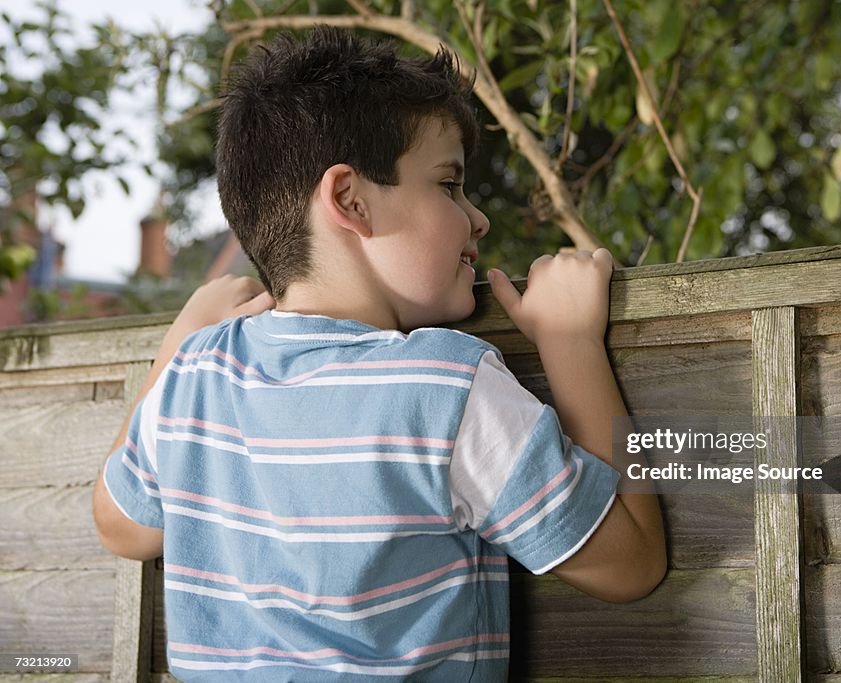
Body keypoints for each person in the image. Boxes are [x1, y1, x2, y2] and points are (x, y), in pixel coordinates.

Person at [93, 26, 665, 682]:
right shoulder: (444, 387)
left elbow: (120, 526)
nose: (478, 219)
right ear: (350, 200)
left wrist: (178, 342)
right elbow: (631, 563)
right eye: (449, 185)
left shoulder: (195, 373)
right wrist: (570, 343)